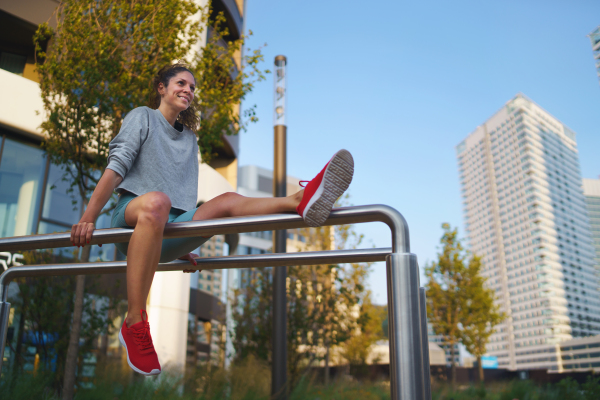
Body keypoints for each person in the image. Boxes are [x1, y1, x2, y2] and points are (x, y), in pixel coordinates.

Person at [70, 62, 354, 376]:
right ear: (161, 88)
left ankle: (297, 201)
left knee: (227, 201)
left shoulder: (189, 140)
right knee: (157, 202)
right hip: (130, 219)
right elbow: (117, 166)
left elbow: (184, 199)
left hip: (167, 228)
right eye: (181, 83)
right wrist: (88, 216)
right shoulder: (143, 117)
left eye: (192, 87)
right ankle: (135, 320)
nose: (188, 90)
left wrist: (185, 240)